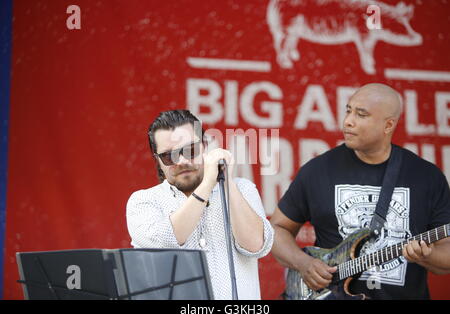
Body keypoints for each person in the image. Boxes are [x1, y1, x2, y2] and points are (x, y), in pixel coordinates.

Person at [270, 83, 450, 299]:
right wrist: (303, 263)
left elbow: (445, 257)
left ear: (388, 125)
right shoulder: (318, 170)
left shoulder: (427, 177)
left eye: (361, 114)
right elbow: (277, 229)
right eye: (348, 110)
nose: (348, 121)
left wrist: (425, 256)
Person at [126, 109, 273, 300]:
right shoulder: (143, 201)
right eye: (169, 156)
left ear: (205, 147)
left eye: (191, 150)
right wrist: (206, 185)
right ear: (157, 161)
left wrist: (226, 180)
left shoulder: (241, 189)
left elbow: (257, 246)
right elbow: (164, 241)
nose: (183, 161)